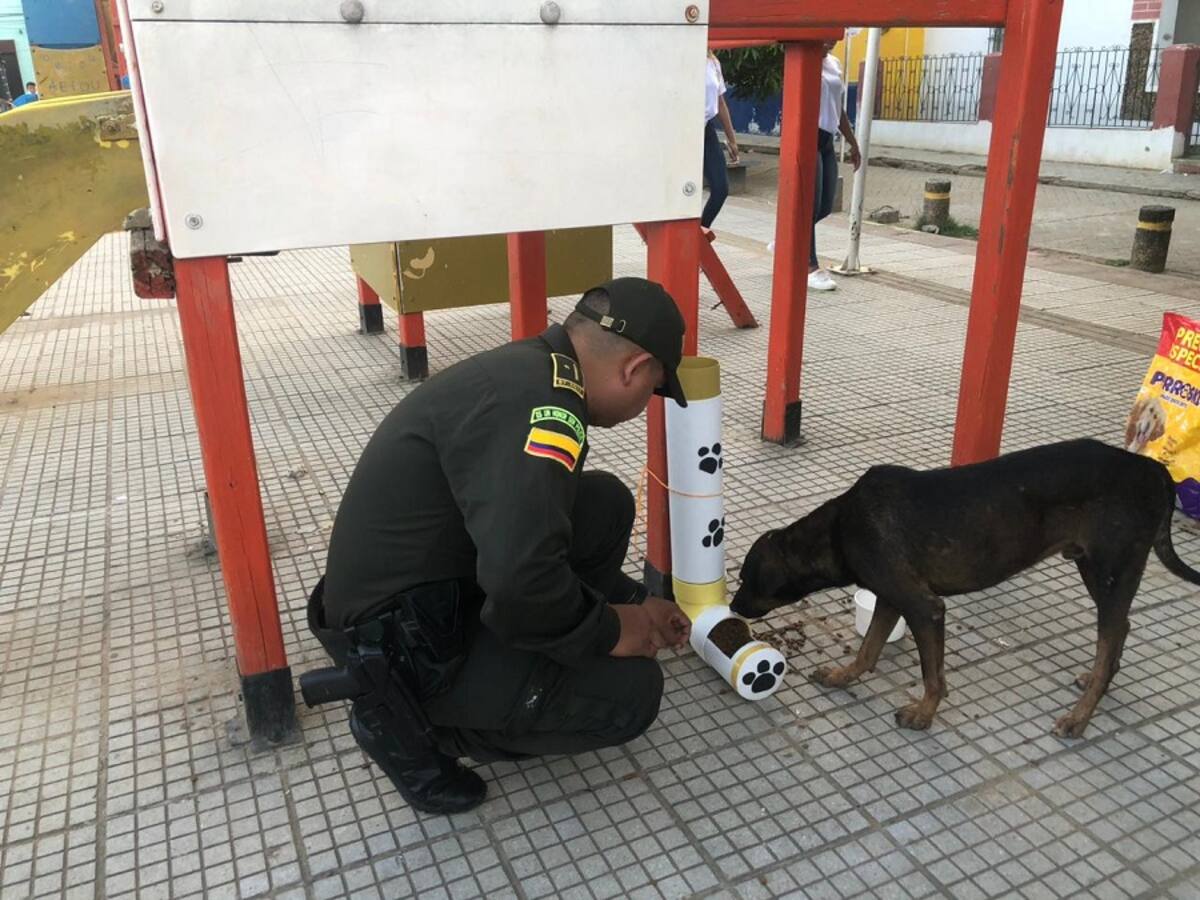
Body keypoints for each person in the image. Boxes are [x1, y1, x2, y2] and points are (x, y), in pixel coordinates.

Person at [307, 277, 693, 814]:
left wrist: (631, 609)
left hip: (429, 590)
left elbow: (528, 547)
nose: (645, 402)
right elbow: (521, 581)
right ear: (634, 368)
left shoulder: (533, 370)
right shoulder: (549, 412)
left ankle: (539, 652)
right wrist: (612, 631)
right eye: (654, 388)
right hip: (409, 645)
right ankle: (414, 726)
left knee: (602, 501)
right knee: (632, 694)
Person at [808, 41, 861, 293]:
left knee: (826, 206)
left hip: (827, 138)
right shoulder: (805, 58)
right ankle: (810, 267)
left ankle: (788, 238)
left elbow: (838, 109)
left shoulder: (834, 63)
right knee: (811, 206)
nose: (832, 41)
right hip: (808, 135)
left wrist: (853, 143)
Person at [702, 50, 740, 234]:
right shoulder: (680, 53)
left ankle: (698, 236)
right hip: (682, 131)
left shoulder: (713, 61)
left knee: (720, 188)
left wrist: (731, 139)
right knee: (684, 191)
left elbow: (721, 102)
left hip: (706, 128)